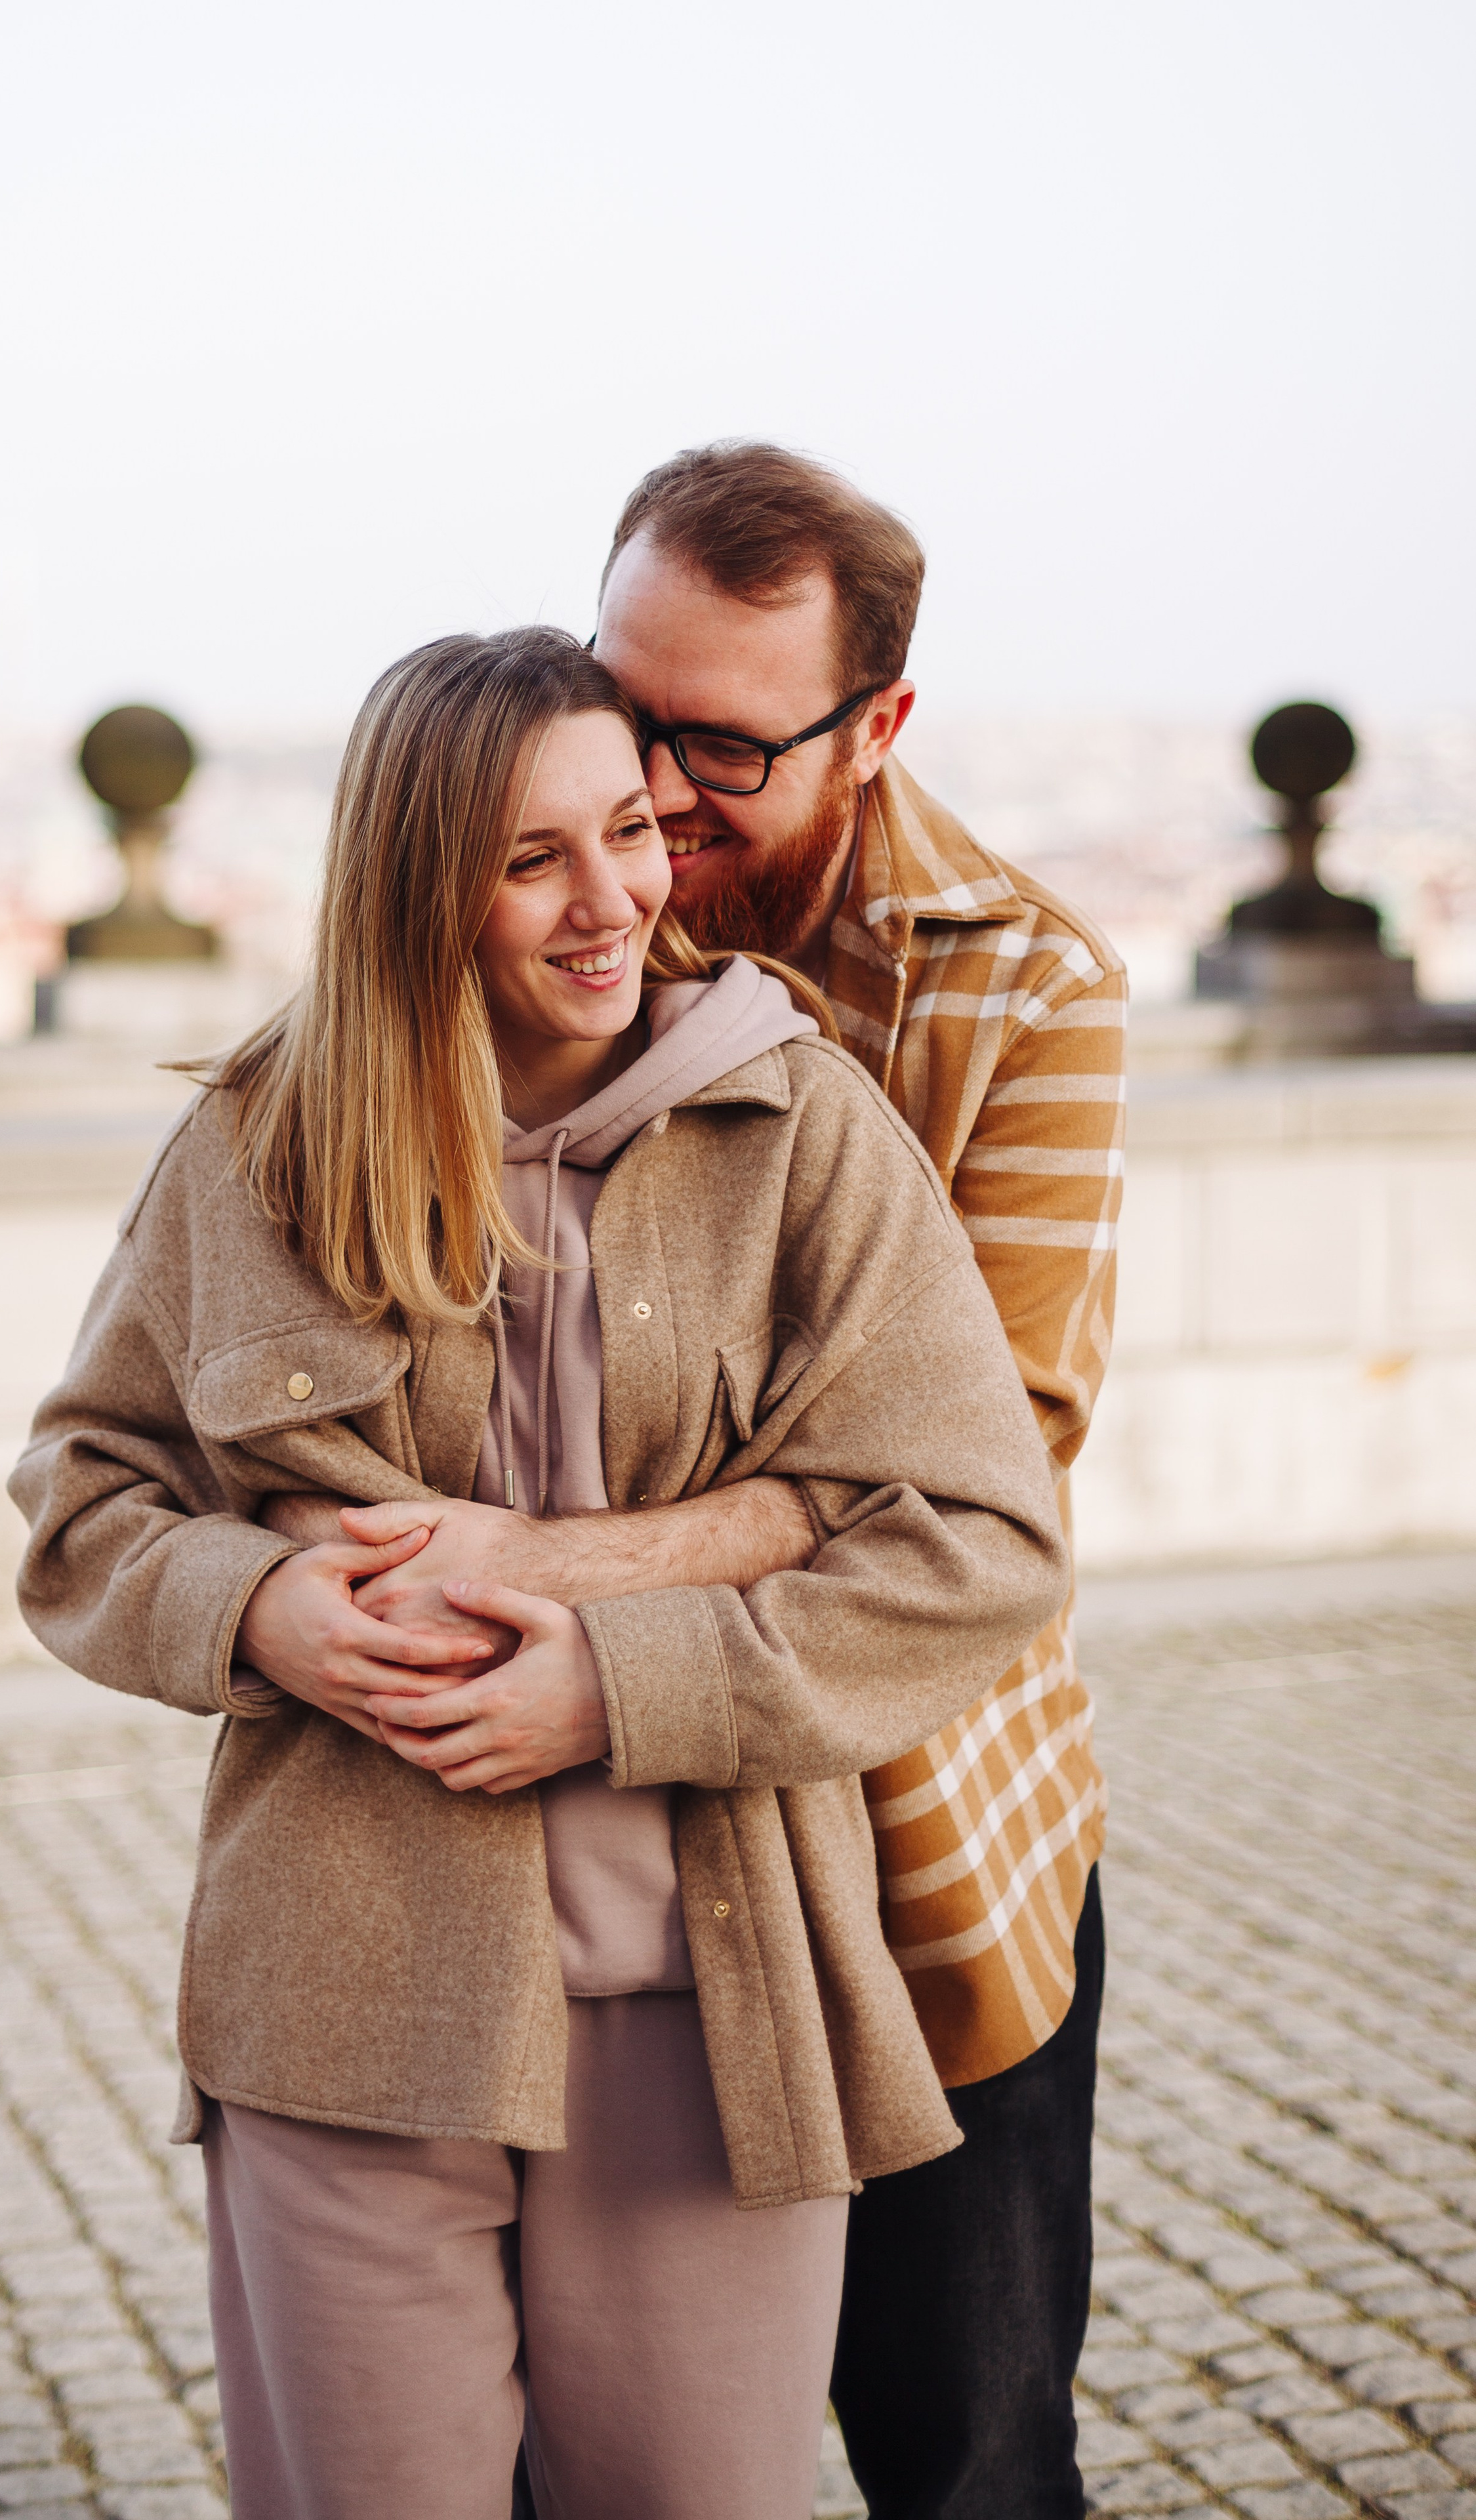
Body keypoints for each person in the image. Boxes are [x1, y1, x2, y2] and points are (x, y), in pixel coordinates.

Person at [10, 626, 1069, 2520]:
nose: (614, 903)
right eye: (532, 860)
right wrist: (258, 1608)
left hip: (715, 2001)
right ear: (418, 886)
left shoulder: (803, 1128)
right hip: (344, 1990)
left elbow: (983, 1537)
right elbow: (83, 1499)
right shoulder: (252, 1149)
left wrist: (617, 1681)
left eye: (632, 832)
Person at [289, 448, 1127, 2519]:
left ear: (879, 729)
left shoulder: (1025, 983)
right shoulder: (525, 918)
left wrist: (546, 1583)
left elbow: (970, 1475)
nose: (654, 797)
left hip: (922, 1854)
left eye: (726, 747)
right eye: (626, 702)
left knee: (968, 2454)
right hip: (591, 1885)